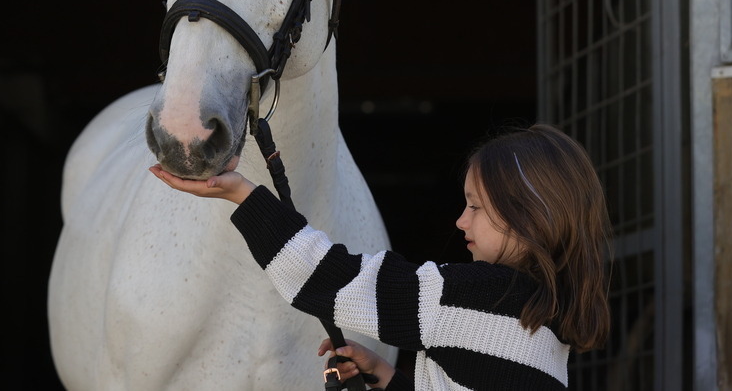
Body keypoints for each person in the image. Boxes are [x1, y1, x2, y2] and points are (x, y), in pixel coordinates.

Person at [150, 123, 612, 390]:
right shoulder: (545, 326)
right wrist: (389, 375)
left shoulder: (471, 296)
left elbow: (330, 278)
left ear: (528, 218)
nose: (460, 222)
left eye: (475, 207)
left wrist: (245, 195)